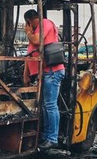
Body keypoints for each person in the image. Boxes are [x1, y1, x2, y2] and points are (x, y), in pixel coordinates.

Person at [23, 9, 65, 150]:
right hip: (44, 73)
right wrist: (26, 73)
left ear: (30, 21)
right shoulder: (36, 30)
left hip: (52, 72)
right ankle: (47, 135)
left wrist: (28, 32)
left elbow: (36, 40)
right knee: (46, 106)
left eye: (29, 24)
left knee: (51, 105)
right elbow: (30, 53)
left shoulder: (45, 23)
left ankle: (52, 138)